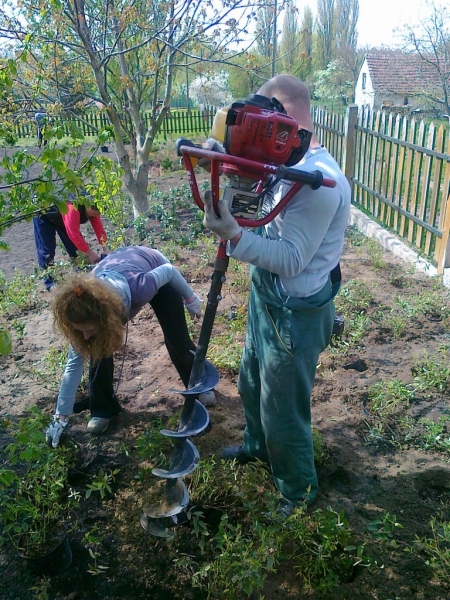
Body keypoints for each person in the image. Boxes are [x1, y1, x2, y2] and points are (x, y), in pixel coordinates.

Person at [202, 74, 351, 515]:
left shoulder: (321, 182)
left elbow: (290, 259)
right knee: (251, 378)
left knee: (282, 408)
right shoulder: (279, 157)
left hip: (294, 308)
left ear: (281, 119)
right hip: (266, 293)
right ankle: (257, 446)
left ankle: (297, 491)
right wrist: (221, 162)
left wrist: (233, 237)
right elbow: (258, 205)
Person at [45, 245, 216, 448]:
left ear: (105, 319)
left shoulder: (140, 287)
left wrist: (191, 299)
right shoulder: (83, 309)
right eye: (79, 330)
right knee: (96, 349)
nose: (84, 335)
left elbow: (169, 271)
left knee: (177, 339)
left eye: (88, 329)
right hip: (115, 275)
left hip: (155, 269)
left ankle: (198, 386)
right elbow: (72, 367)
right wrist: (60, 417)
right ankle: (102, 409)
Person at [33, 200, 109, 291]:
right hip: (44, 213)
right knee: (47, 249)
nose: (96, 216)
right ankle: (49, 282)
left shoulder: (94, 205)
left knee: (75, 250)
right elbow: (74, 234)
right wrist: (90, 253)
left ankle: (81, 273)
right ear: (88, 207)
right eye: (94, 214)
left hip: (62, 215)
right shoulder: (73, 209)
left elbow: (98, 227)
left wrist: (105, 248)